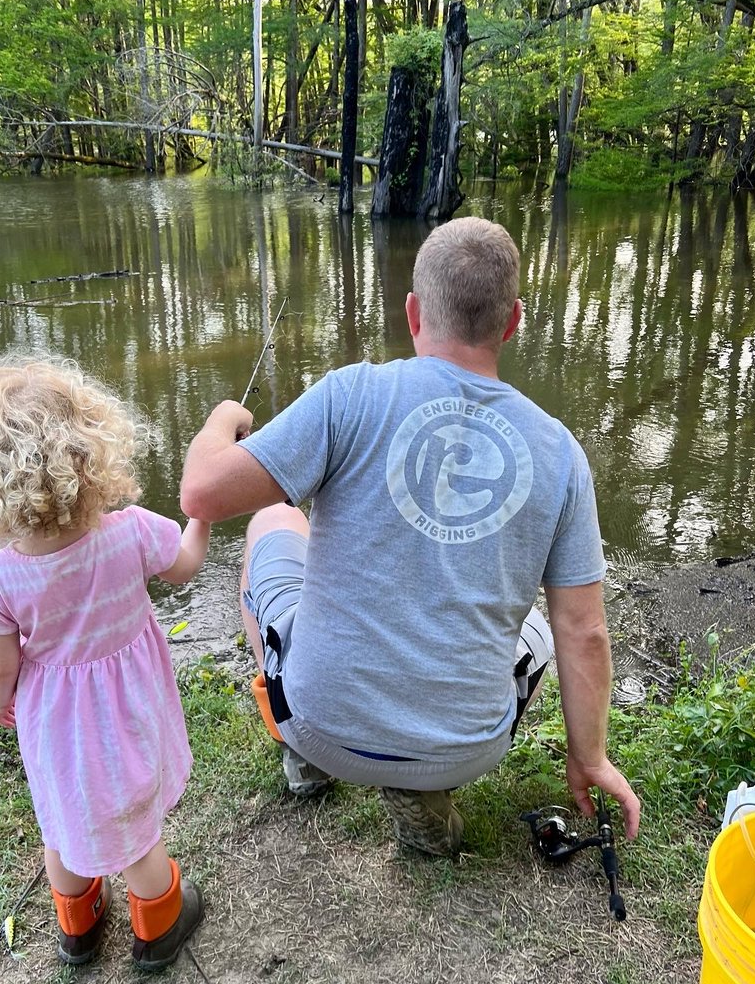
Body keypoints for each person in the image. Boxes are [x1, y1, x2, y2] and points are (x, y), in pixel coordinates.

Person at [180, 216, 640, 854]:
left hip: (320, 722)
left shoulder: (350, 395)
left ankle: (304, 755)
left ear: (414, 312)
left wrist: (222, 417)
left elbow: (200, 492)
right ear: (512, 323)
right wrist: (589, 759)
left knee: (271, 521)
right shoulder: (561, 453)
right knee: (539, 623)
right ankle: (421, 783)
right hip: (463, 751)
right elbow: (584, 632)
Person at [0, 355, 208, 968]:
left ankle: (80, 926)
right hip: (131, 709)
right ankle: (158, 927)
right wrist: (199, 515)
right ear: (93, 451)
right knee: (137, 832)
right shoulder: (133, 532)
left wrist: (0, 704)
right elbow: (185, 565)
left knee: (62, 821)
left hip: (56, 726)